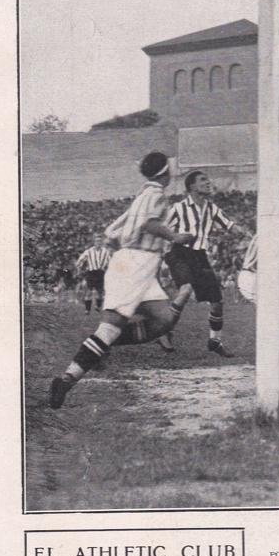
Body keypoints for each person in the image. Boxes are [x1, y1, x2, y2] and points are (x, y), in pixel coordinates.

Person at [48, 152, 195, 409]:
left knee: (164, 320)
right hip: (135, 264)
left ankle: (99, 345)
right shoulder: (156, 196)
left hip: (140, 265)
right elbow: (150, 224)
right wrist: (175, 237)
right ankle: (66, 379)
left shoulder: (142, 196)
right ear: (164, 172)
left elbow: (111, 232)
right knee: (110, 328)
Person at [164, 170, 251, 357]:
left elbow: (230, 225)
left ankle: (215, 341)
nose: (208, 182)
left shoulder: (212, 208)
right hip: (179, 253)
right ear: (192, 187)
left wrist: (247, 233)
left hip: (199, 256)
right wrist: (176, 237)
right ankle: (164, 331)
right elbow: (163, 229)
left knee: (217, 302)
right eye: (203, 180)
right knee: (185, 290)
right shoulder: (178, 208)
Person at [75, 233, 112, 313]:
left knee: (100, 292)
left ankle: (98, 306)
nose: (98, 243)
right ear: (94, 242)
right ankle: (87, 309)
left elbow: (110, 263)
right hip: (91, 273)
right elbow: (80, 261)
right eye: (96, 241)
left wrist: (109, 270)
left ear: (101, 242)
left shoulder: (105, 252)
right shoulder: (89, 251)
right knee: (88, 292)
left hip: (100, 273)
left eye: (99, 241)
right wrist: (80, 269)